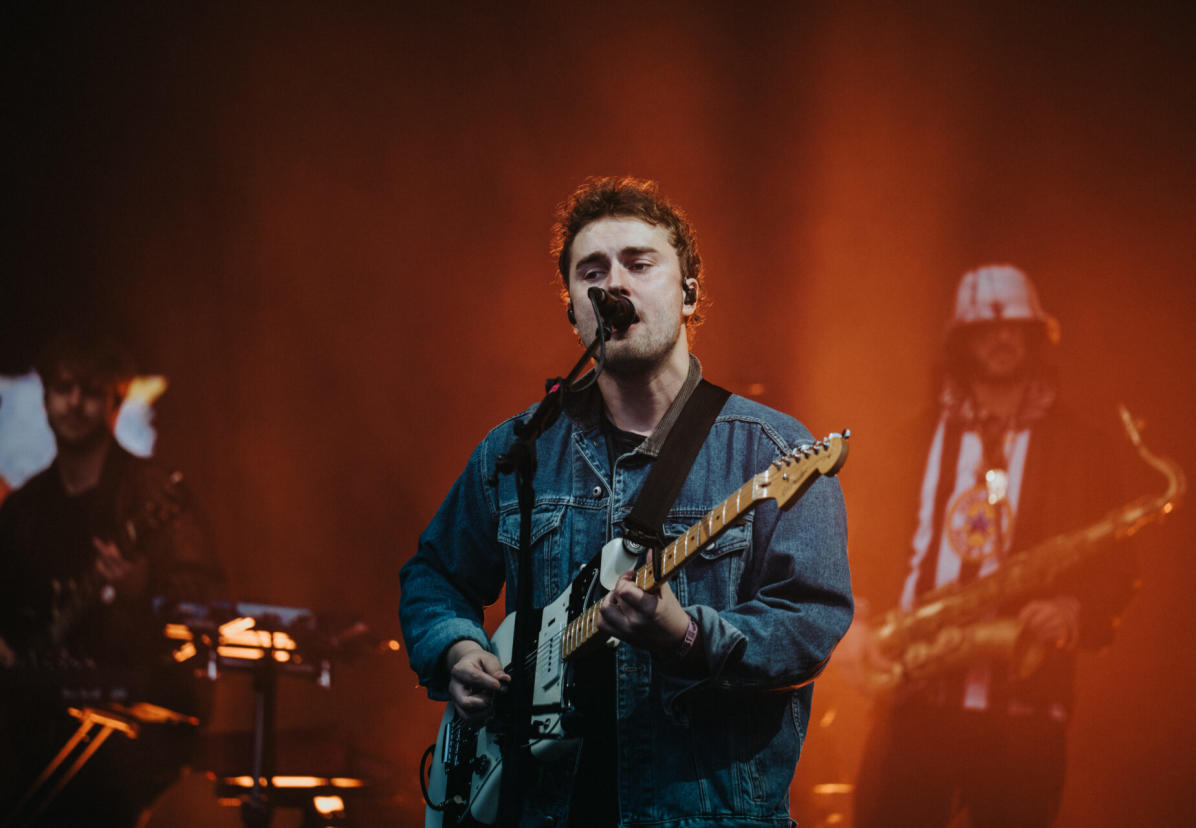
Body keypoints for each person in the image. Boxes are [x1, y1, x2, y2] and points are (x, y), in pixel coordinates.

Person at [399, 176, 853, 827]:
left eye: (640, 264)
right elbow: (432, 575)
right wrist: (457, 651)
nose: (615, 284)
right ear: (575, 312)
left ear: (690, 291)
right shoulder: (519, 449)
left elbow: (810, 624)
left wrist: (688, 636)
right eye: (593, 271)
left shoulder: (775, 452)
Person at [845, 265, 1138, 828]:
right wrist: (855, 624)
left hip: (1025, 716)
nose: (1002, 339)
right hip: (914, 704)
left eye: (1016, 328)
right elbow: (863, 546)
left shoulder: (1083, 448)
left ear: (1036, 339)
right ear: (961, 342)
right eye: (985, 329)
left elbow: (1117, 570)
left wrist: (1073, 611)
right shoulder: (913, 438)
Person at [0, 333, 225, 826]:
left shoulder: (150, 492)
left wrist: (143, 589)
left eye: (91, 389)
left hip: (138, 737)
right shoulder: (23, 511)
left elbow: (207, 602)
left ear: (115, 401)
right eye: (64, 388)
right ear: (46, 398)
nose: (75, 402)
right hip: (37, 735)